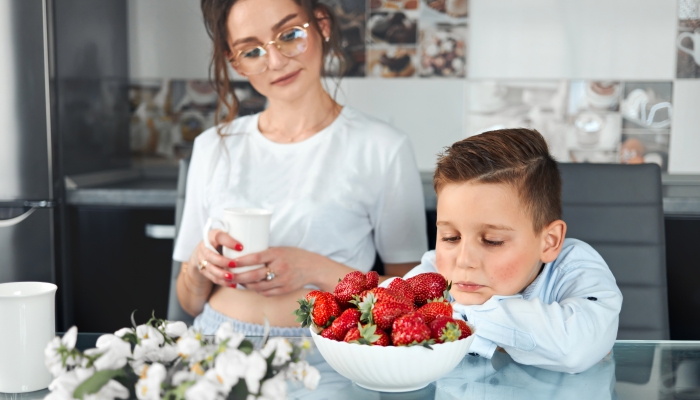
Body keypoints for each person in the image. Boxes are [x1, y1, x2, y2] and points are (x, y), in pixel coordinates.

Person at [173, 0, 427, 336]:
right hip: (216, 345)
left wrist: (313, 269)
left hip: (328, 353)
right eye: (252, 51)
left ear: (321, 25)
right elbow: (189, 304)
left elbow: (409, 298)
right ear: (234, 63)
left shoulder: (383, 147)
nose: (276, 61)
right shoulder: (212, 146)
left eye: (290, 34)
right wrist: (202, 267)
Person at [396, 128, 622, 373]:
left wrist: (450, 320)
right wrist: (521, 340)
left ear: (549, 242)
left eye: (492, 241)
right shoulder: (432, 272)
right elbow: (381, 319)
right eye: (451, 237)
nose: (464, 260)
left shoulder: (576, 267)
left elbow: (575, 348)